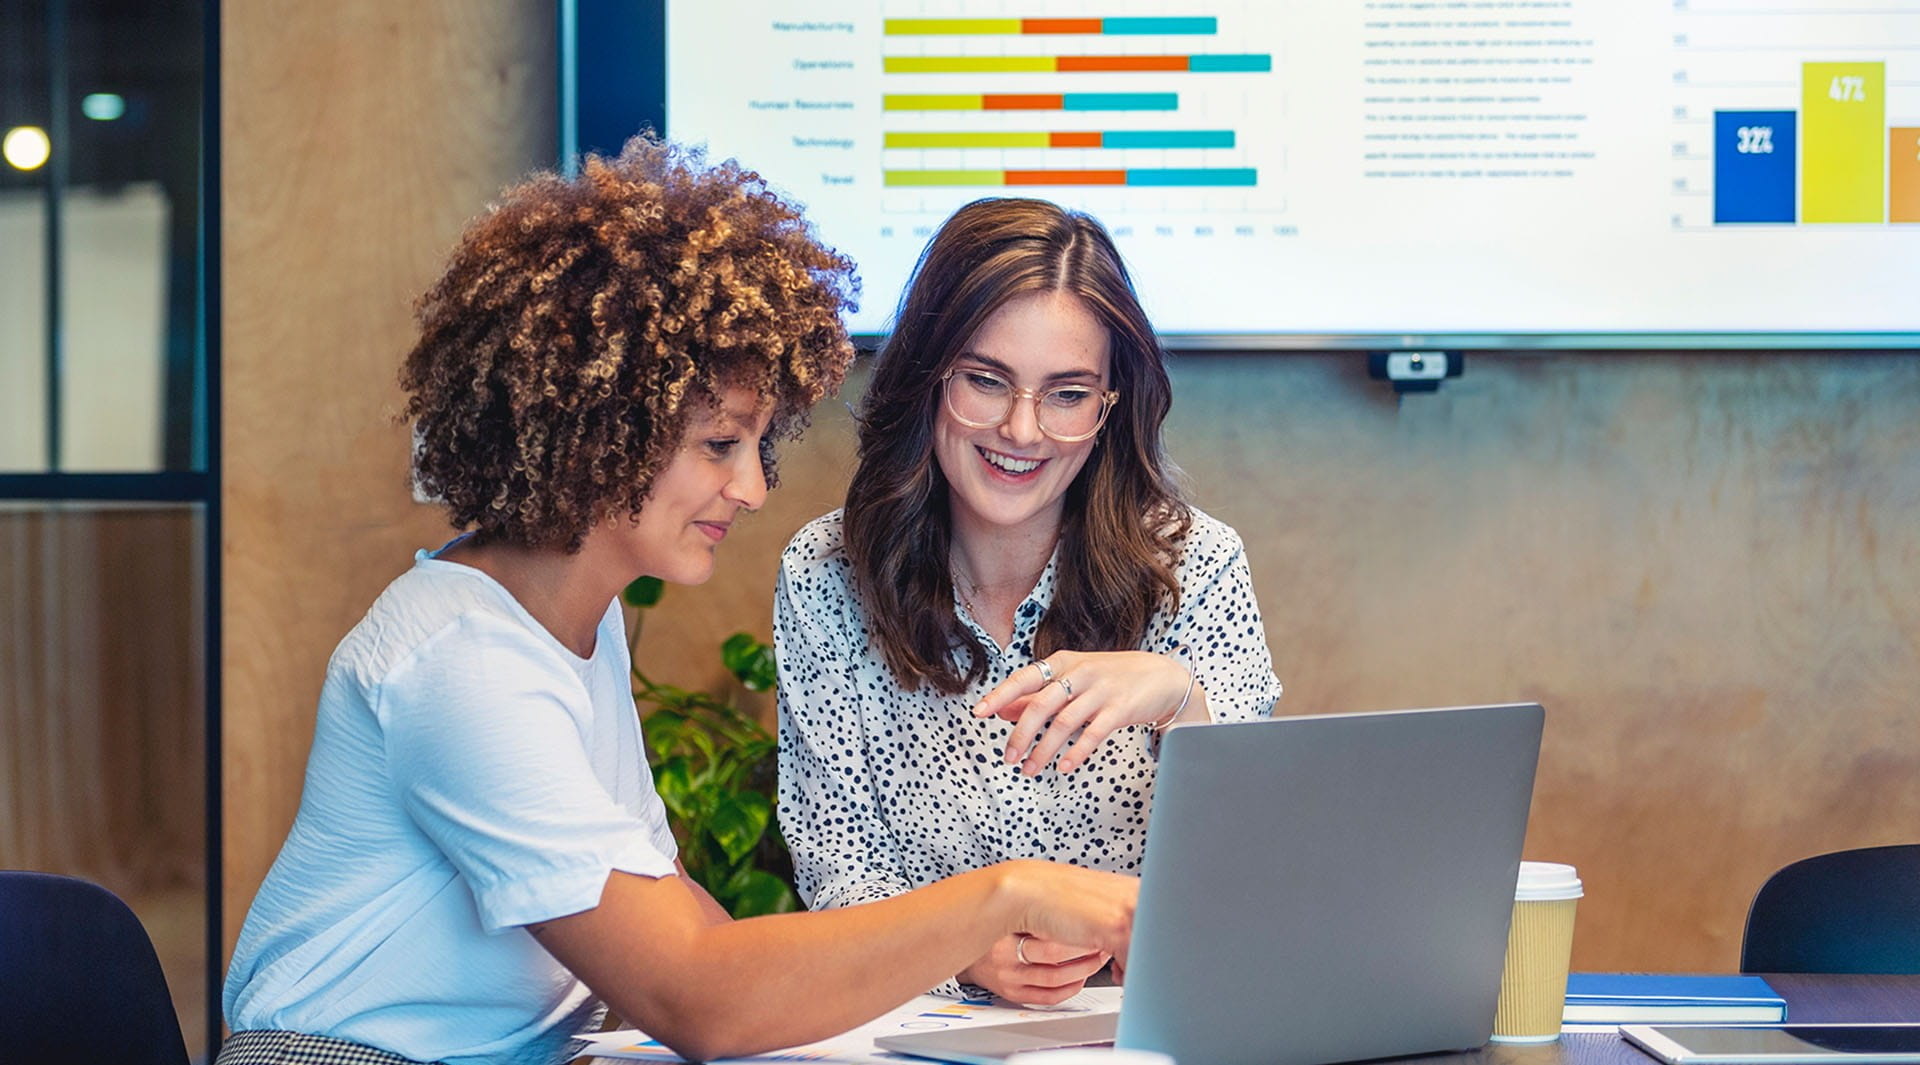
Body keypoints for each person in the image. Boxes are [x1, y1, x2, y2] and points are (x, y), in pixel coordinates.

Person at [218, 142, 1137, 1065]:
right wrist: (1005, 893)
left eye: (756, 444)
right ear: (598, 428)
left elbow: (688, 921)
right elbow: (696, 992)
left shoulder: (576, 620)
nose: (751, 487)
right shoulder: (461, 663)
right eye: (718, 444)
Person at [776, 197, 1283, 1007]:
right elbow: (837, 865)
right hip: (914, 1033)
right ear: (927, 377)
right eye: (986, 380)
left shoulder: (1198, 564)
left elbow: (1260, 865)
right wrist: (964, 954)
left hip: (1140, 1033)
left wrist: (1180, 698)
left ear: (1110, 407)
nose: (1021, 429)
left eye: (1067, 394)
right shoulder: (826, 573)